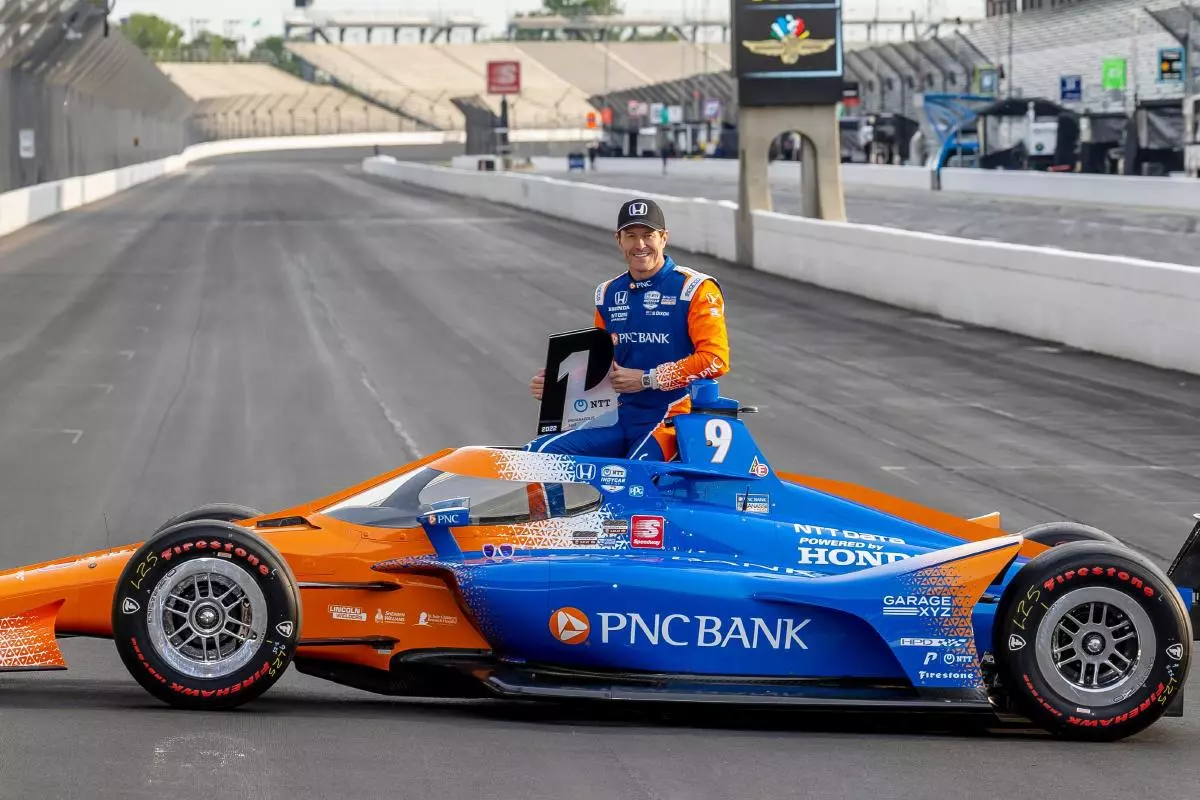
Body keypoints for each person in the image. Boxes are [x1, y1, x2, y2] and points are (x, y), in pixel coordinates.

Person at [526, 198, 729, 462]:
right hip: (621, 414)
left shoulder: (696, 288)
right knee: (536, 455)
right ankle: (547, 507)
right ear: (619, 240)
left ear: (664, 238)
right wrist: (558, 388)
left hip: (674, 416)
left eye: (648, 235)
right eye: (631, 235)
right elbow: (604, 365)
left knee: (631, 477)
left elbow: (715, 360)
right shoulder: (608, 293)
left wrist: (647, 378)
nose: (640, 244)